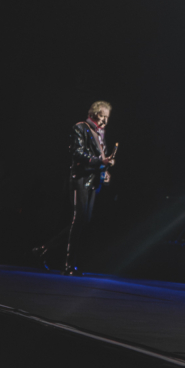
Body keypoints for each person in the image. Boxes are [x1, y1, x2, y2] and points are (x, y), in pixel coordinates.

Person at [34, 101, 117, 275]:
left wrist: (105, 169)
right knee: (79, 220)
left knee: (83, 221)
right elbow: (77, 153)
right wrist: (100, 161)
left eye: (107, 117)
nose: (105, 120)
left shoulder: (100, 133)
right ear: (93, 114)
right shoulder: (81, 127)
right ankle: (68, 264)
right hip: (81, 178)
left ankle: (44, 249)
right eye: (102, 116)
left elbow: (100, 157)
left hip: (93, 180)